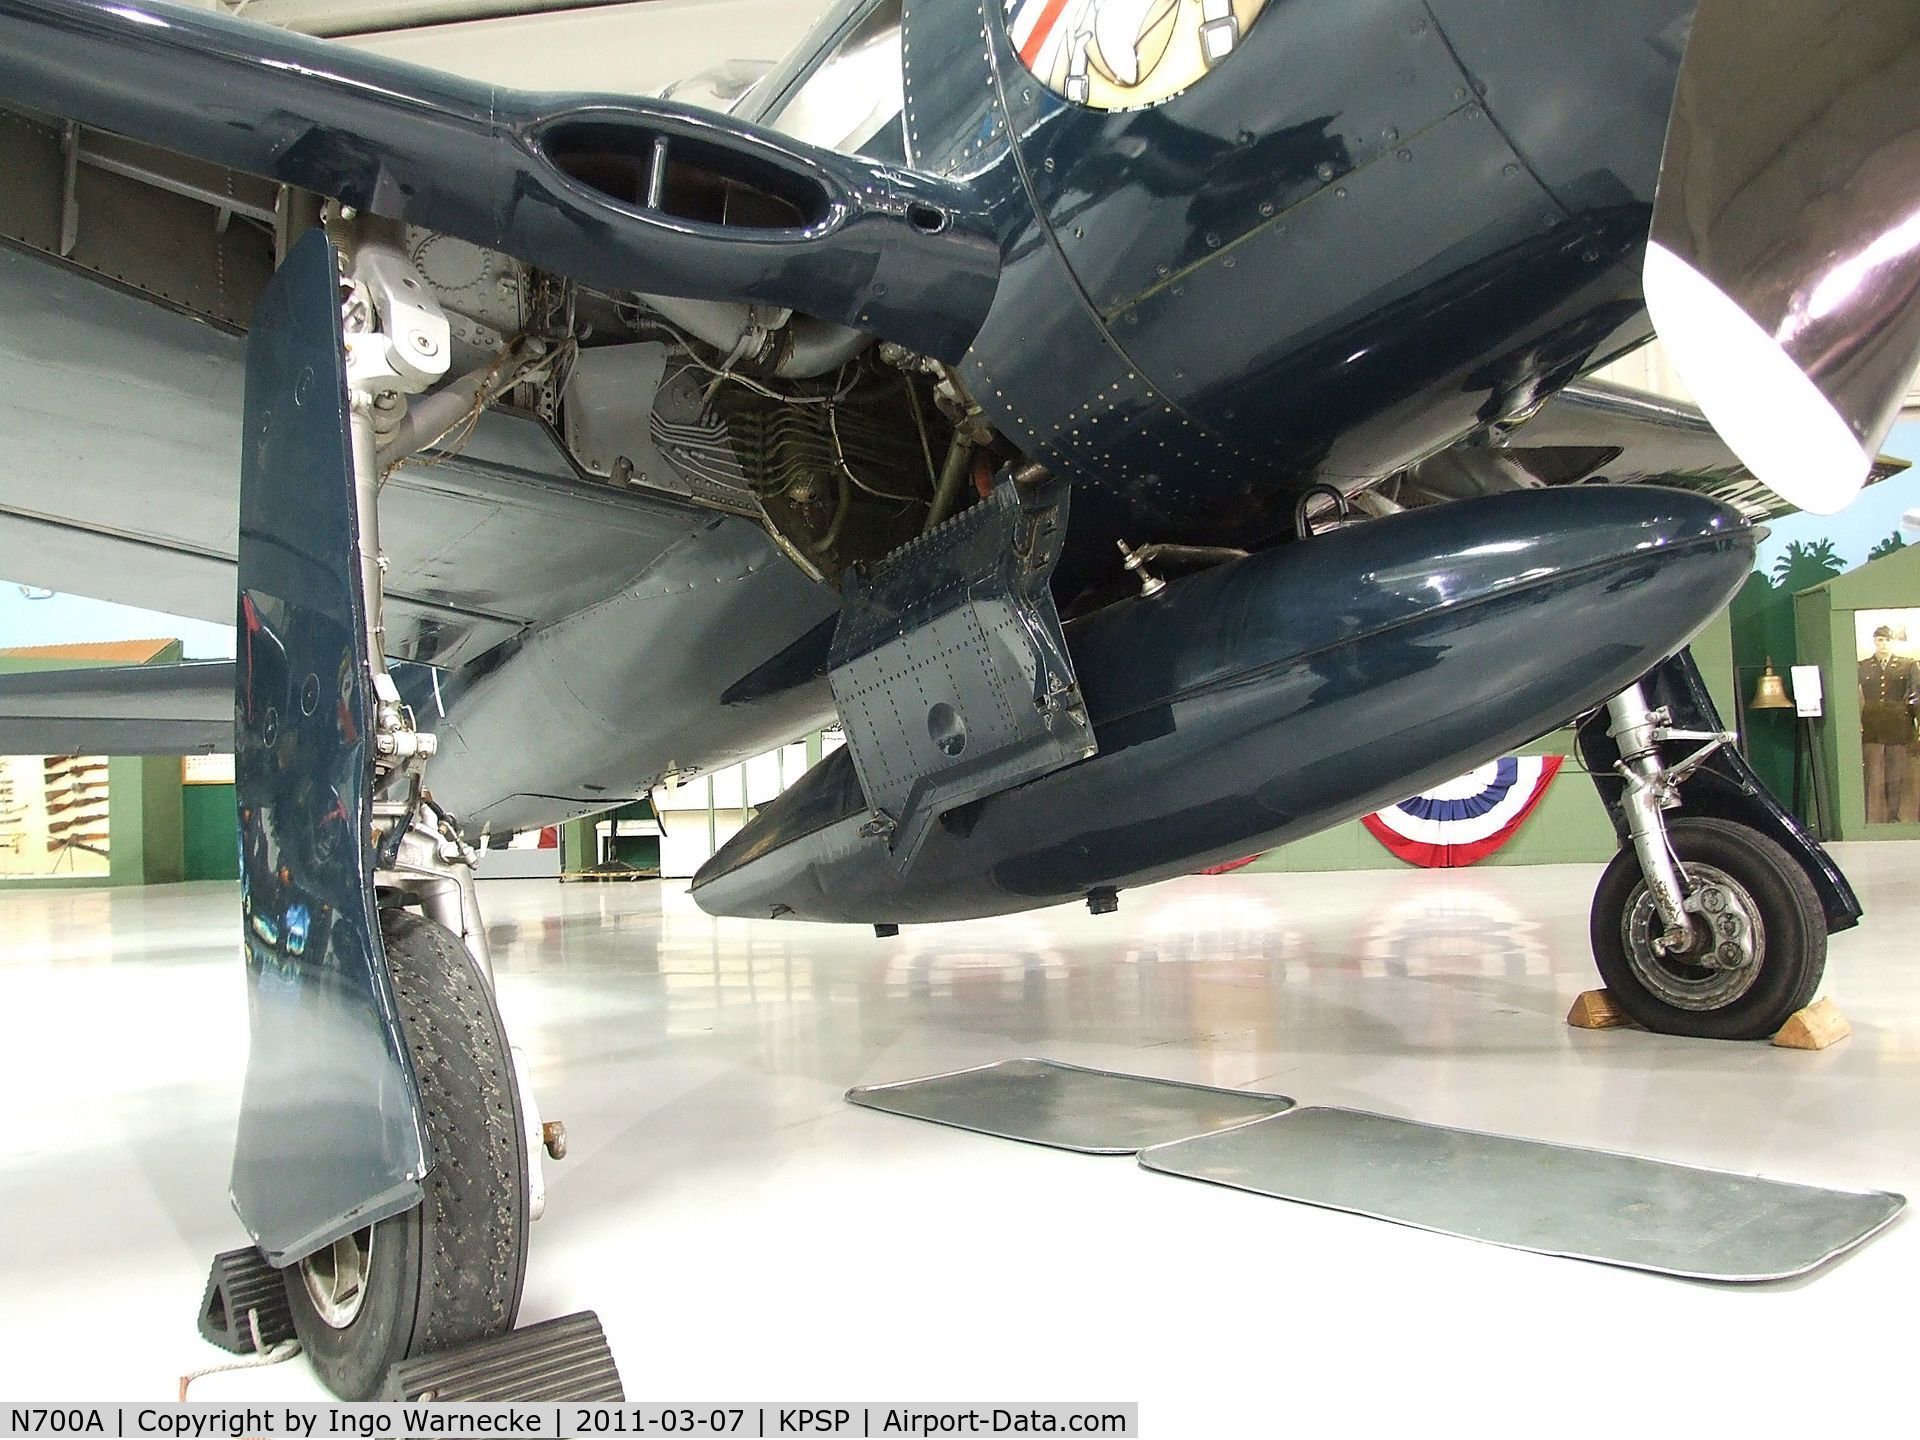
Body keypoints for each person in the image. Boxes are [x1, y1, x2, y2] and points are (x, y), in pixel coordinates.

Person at [1859, 625, 1919, 823]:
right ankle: (1872, 818)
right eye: (1879, 640)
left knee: (1897, 774)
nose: (1883, 644)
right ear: (1874, 642)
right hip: (1872, 726)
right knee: (1872, 773)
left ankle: (1894, 815)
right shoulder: (1863, 666)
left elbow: (1915, 695)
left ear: (1892, 642)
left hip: (1898, 725)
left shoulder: (1907, 665)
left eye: (1886, 640)